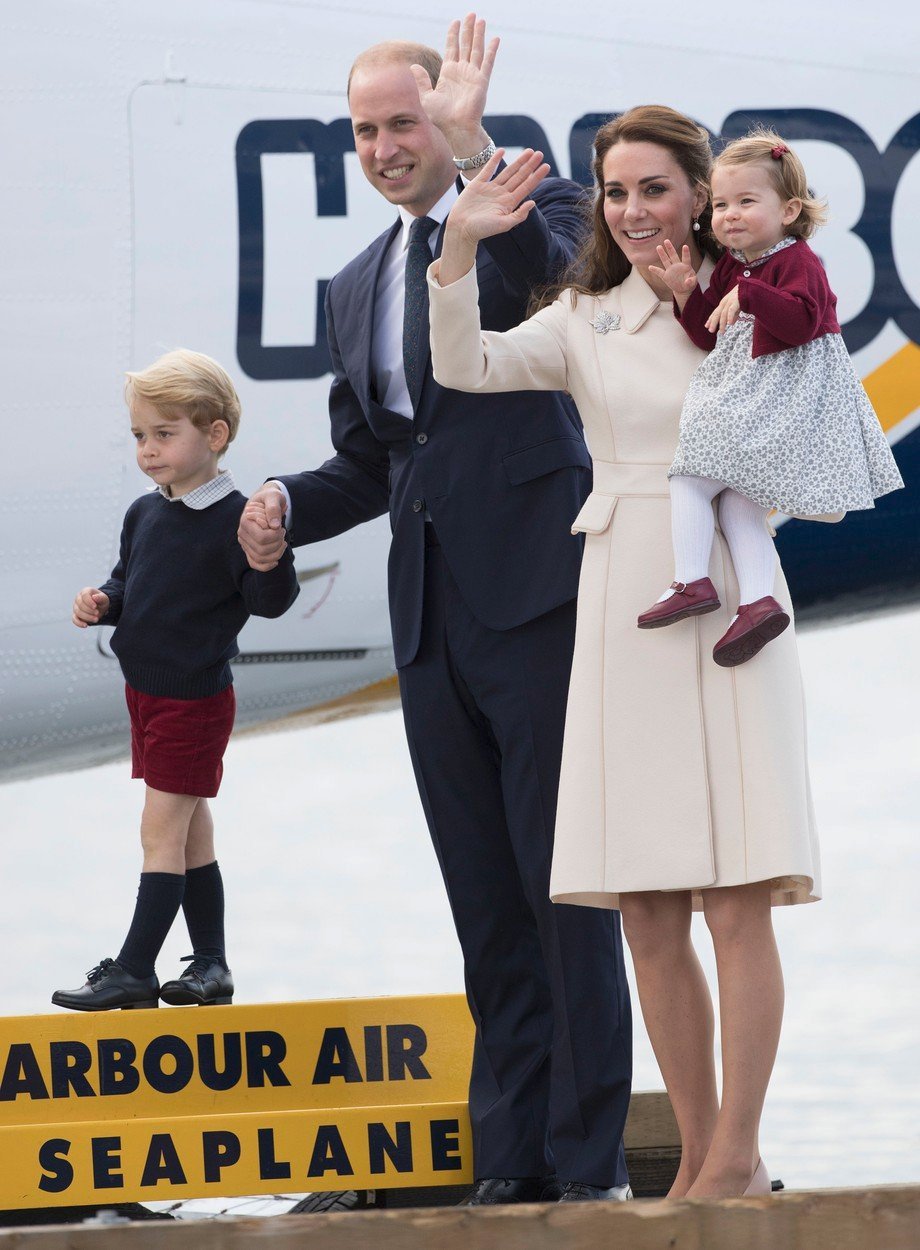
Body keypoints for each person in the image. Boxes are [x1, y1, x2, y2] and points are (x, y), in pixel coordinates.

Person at [238, 16, 632, 1208]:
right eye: (364, 131)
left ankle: (585, 1167)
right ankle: (507, 1158)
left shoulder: (522, 208)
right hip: (429, 616)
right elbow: (371, 462)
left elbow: (575, 284)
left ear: (438, 120)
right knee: (482, 896)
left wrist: (476, 158)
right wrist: (276, 508)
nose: (381, 147)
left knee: (562, 887)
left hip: (538, 592)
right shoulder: (356, 281)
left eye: (399, 122)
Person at [428, 105, 824, 1199]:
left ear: (699, 193)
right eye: (615, 191)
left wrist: (697, 304)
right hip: (620, 589)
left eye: (654, 188)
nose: (634, 210)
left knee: (735, 891)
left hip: (731, 590)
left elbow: (788, 436)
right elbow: (466, 366)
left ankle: (737, 1150)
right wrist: (457, 247)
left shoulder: (764, 295)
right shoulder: (583, 311)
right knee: (647, 902)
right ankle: (699, 1151)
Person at [53, 350, 299, 1012]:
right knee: (190, 832)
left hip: (192, 700)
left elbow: (268, 599)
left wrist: (270, 554)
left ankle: (134, 970)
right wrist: (103, 603)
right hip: (146, 694)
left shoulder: (239, 518)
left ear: (214, 435)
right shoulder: (145, 512)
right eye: (140, 436)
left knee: (159, 833)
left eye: (165, 434)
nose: (149, 450)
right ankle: (211, 967)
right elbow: (131, 583)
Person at [637, 129, 904, 664]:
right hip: (759, 401)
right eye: (721, 205)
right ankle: (758, 601)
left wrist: (752, 293)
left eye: (746, 202)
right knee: (738, 500)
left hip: (784, 403)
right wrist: (689, 293)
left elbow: (804, 321)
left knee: (689, 476)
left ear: (788, 211)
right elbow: (710, 334)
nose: (729, 215)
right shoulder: (738, 267)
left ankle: (692, 580)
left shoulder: (797, 260)